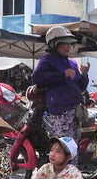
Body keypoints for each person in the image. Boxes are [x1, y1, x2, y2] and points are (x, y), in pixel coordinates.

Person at [31, 26, 90, 165]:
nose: (69, 46)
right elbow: (36, 78)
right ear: (54, 43)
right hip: (60, 112)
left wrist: (84, 75)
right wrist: (62, 75)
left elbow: (80, 86)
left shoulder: (72, 63)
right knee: (63, 149)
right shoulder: (48, 59)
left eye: (70, 43)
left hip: (75, 112)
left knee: (73, 148)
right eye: (65, 43)